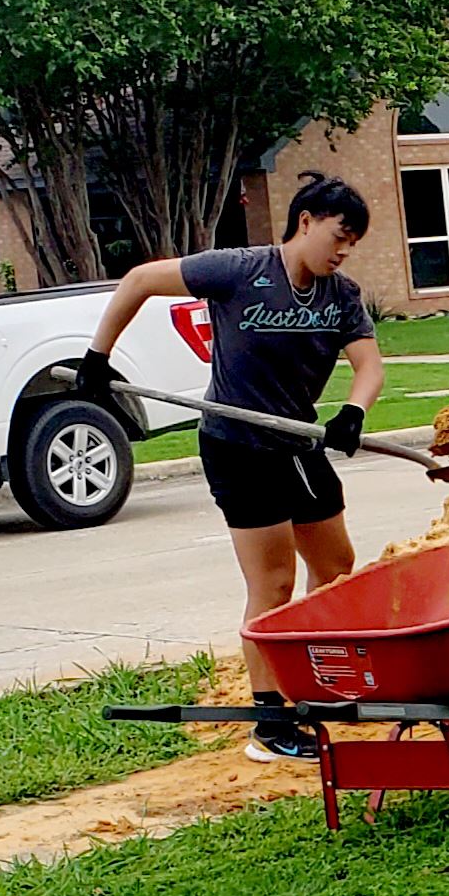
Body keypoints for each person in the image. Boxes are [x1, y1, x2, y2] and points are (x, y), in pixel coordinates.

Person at [78, 174, 384, 762]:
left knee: (336, 567)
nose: (343, 251)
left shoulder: (341, 294)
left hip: (297, 441)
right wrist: (98, 356)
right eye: (340, 236)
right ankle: (270, 723)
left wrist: (352, 411)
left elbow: (369, 366)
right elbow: (141, 280)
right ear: (306, 222)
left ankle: (308, 683)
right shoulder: (240, 270)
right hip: (239, 446)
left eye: (352, 243)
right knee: (272, 584)